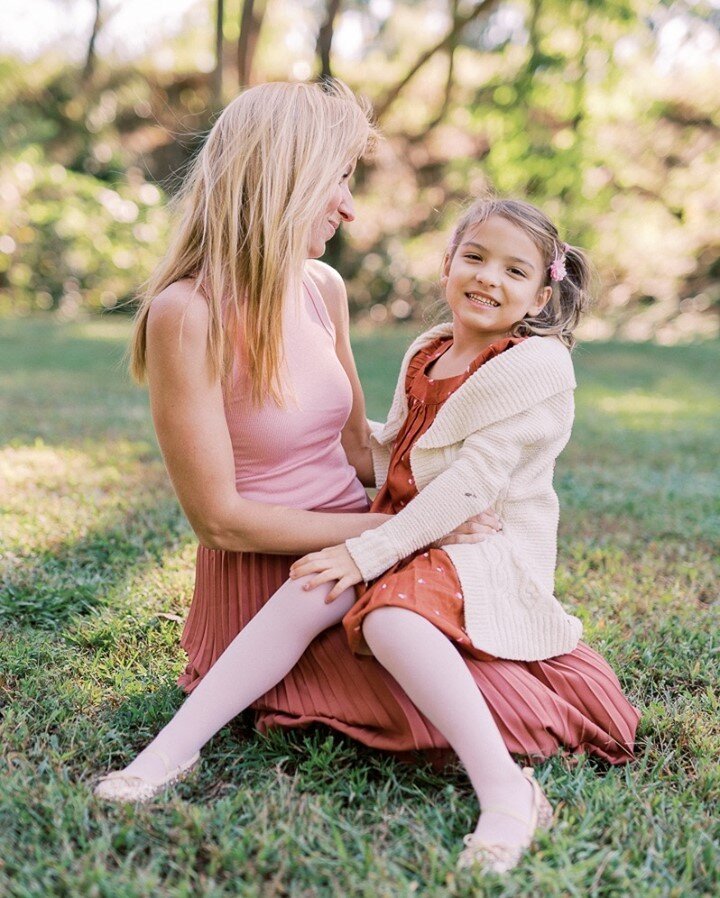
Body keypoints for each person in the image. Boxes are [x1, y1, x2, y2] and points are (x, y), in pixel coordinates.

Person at [96, 185, 639, 873]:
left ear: (539, 298)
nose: (487, 277)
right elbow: (408, 447)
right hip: (414, 530)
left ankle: (507, 794)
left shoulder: (536, 367)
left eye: (513, 271)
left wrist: (367, 548)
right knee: (308, 588)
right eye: (474, 256)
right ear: (446, 265)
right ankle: (171, 751)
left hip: (478, 544)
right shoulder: (431, 349)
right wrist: (366, 513)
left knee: (390, 621)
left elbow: (472, 484)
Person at [94, 81, 498, 796]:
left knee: (489, 666)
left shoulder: (322, 287)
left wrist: (447, 491)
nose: (349, 205)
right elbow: (218, 520)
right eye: (335, 180)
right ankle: (173, 749)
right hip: (269, 570)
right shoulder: (185, 314)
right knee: (424, 709)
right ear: (279, 179)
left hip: (361, 544)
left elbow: (355, 449)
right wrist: (394, 530)